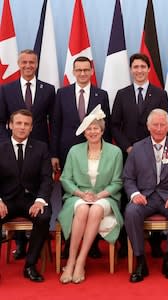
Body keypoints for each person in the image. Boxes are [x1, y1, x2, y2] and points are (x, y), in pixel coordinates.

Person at [110, 53, 168, 258]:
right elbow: (114, 125)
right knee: (130, 197)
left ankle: (154, 242)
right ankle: (126, 244)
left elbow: (163, 123)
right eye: (135, 67)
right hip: (129, 153)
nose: (139, 70)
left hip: (154, 155)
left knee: (154, 192)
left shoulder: (160, 94)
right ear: (131, 69)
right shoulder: (122, 94)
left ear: (149, 69)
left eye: (143, 66)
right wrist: (127, 148)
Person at [123, 109, 168, 282]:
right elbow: (128, 178)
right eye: (155, 124)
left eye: (163, 125)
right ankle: (140, 261)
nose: (159, 128)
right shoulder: (137, 149)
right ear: (148, 127)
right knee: (131, 212)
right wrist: (135, 194)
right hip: (145, 197)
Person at [51, 56, 111, 258]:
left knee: (93, 192)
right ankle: (69, 242)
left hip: (96, 151)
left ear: (92, 71)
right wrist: (54, 154)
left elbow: (106, 127)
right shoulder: (62, 93)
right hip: (68, 151)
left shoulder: (101, 94)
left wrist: (106, 152)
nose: (83, 73)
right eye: (79, 70)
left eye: (86, 70)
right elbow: (56, 124)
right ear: (73, 72)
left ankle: (92, 243)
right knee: (70, 196)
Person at [57, 105, 123, 284]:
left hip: (105, 197)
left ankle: (80, 261)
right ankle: (70, 260)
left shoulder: (115, 152)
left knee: (95, 210)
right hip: (78, 196)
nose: (93, 132)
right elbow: (65, 179)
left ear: (102, 131)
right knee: (82, 210)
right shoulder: (74, 151)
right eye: (89, 129)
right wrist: (80, 194)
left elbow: (117, 182)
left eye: (96, 128)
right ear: (84, 132)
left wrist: (99, 195)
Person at [0, 49, 55, 260]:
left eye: (32, 62)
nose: (28, 66)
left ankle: (32, 251)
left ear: (37, 64)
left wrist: (52, 152)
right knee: (13, 185)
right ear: (18, 64)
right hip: (11, 148)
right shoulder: (6, 89)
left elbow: (54, 121)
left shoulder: (48, 90)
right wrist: (6, 144)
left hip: (38, 149)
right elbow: (1, 120)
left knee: (34, 195)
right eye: (24, 62)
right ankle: (20, 243)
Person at [0, 109, 53, 282]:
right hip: (6, 201)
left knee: (44, 217)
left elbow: (47, 179)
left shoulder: (41, 148)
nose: (22, 127)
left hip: (32, 200)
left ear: (31, 128)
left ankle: (30, 265)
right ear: (10, 125)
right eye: (19, 123)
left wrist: (40, 201)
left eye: (26, 124)